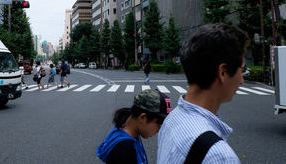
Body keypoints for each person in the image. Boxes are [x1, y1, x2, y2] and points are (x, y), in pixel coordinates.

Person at [157, 23, 249, 163]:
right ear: (223, 72)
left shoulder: (172, 118)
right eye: (241, 70)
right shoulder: (219, 156)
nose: (242, 80)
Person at [97, 89, 171, 164]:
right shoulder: (123, 150)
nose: (159, 130)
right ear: (142, 118)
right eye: (158, 125)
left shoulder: (129, 131)